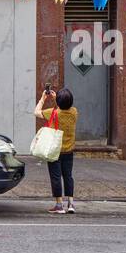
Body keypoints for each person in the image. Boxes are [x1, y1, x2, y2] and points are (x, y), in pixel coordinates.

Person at [34, 86, 79, 214]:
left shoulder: (52, 113)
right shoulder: (74, 112)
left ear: (58, 102)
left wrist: (43, 99)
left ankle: (59, 205)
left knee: (56, 177)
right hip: (69, 151)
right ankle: (71, 204)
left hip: (55, 151)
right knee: (68, 176)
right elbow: (63, 109)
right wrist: (57, 100)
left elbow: (37, 112)